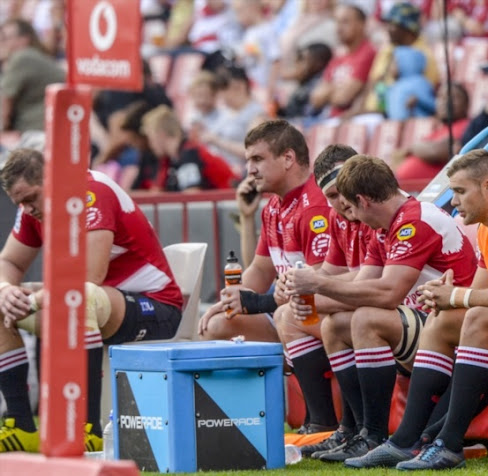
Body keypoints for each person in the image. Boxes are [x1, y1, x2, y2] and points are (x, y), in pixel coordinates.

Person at [352, 149, 488, 469]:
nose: (454, 200)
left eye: (460, 191)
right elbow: (477, 293)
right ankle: (408, 440)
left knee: (469, 316)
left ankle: (440, 443)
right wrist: (446, 295)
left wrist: (457, 296)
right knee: (444, 318)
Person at [284, 155, 477, 463]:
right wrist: (302, 296)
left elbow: (387, 294)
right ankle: (357, 432)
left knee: (366, 319)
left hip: (456, 331)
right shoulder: (386, 227)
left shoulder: (414, 220)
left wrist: (317, 286)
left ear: (362, 200)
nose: (350, 215)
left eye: (349, 204)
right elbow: (358, 289)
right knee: (334, 324)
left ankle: (373, 434)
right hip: (425, 324)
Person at [0, 148, 183, 453]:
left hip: (155, 307)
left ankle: (89, 428)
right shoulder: (32, 208)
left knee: (81, 298)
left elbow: (90, 277)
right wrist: (6, 289)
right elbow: (10, 262)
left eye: (30, 198)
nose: (27, 208)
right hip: (101, 306)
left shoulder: (91, 193)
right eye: (19, 202)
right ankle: (21, 424)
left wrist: (31, 302)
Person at [199, 119, 331, 357]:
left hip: (323, 315)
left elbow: (323, 288)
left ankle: (303, 386)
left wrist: (255, 303)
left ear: (288, 159)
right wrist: (231, 301)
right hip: (289, 310)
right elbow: (259, 270)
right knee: (215, 324)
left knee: (284, 316)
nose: (249, 170)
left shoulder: (315, 208)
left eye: (257, 159)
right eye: (248, 160)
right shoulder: (272, 207)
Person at [275, 144, 376, 456]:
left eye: (343, 190)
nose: (340, 201)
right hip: (378, 307)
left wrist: (313, 289)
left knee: (335, 322)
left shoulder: (375, 210)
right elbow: (332, 271)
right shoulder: (339, 216)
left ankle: (355, 429)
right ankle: (326, 422)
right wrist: (292, 284)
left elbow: (368, 281)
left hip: (396, 310)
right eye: (331, 195)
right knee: (289, 313)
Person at [140, 105, 238, 192]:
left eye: (151, 138)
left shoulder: (189, 153)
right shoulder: (172, 159)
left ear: (161, 134)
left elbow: (191, 195)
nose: (150, 145)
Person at [391, 84, 470, 183]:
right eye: (440, 97)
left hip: (430, 191)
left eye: (452, 97)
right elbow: (399, 156)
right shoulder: (438, 130)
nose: (445, 101)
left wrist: (412, 148)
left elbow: (435, 151)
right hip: (405, 189)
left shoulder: (466, 126)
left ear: (466, 104)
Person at [310, 2, 376, 119]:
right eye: (337, 22)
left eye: (345, 22)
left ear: (361, 24)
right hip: (330, 117)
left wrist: (330, 89)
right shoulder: (338, 55)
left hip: (353, 118)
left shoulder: (368, 52)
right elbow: (316, 98)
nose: (338, 28)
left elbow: (344, 97)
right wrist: (338, 89)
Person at [0, 19, 65, 132]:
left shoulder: (23, 57)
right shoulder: (31, 56)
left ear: (24, 39)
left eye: (5, 38)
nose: (1, 42)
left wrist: (3, 132)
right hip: (44, 127)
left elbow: (4, 105)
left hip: (36, 130)